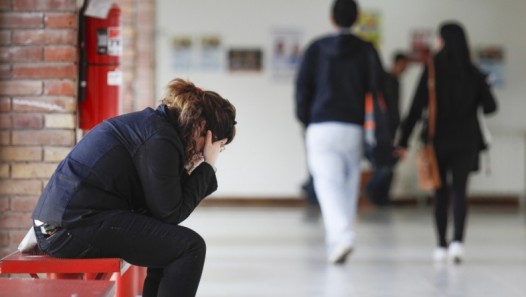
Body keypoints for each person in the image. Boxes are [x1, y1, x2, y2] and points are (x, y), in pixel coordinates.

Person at [32, 78, 237, 297]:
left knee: (170, 243)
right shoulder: (160, 138)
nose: (209, 151)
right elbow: (171, 212)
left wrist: (200, 167)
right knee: (190, 247)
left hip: (66, 223)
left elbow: (164, 208)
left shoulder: (159, 129)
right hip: (66, 229)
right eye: (217, 146)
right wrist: (207, 165)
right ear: (204, 130)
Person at [397, 21, 497, 264]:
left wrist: (403, 140)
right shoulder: (473, 71)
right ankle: (458, 244)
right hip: (467, 141)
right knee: (460, 191)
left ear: (443, 41)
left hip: (437, 140)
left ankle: (441, 244)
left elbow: (415, 108)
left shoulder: (431, 70)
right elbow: (491, 107)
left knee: (440, 192)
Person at [295, 0, 385, 264]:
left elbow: (302, 88)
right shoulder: (367, 50)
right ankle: (336, 241)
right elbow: (379, 88)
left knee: (327, 184)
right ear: (356, 18)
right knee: (348, 184)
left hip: (321, 125)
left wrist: (305, 118)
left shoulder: (316, 48)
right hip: (354, 127)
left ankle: (343, 237)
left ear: (331, 18)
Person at [365, 52, 409, 206]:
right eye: (404, 64)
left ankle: (382, 196)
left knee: (390, 162)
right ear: (397, 63)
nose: (406, 68)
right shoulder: (385, 80)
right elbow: (384, 107)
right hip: (383, 128)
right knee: (386, 162)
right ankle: (372, 189)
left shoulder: (395, 81)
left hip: (392, 126)